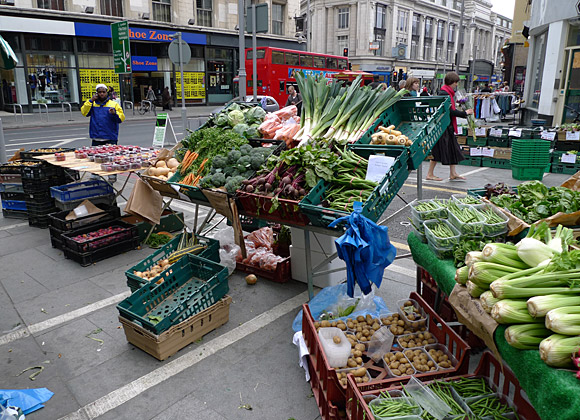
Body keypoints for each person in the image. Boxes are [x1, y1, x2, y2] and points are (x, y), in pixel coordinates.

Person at [426, 72, 473, 181]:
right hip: (443, 126)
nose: (456, 85)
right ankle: (429, 174)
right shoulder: (444, 93)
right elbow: (450, 111)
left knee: (453, 149)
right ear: (451, 82)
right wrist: (464, 113)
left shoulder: (448, 93)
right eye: (456, 82)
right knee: (437, 150)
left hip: (448, 126)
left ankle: (453, 173)